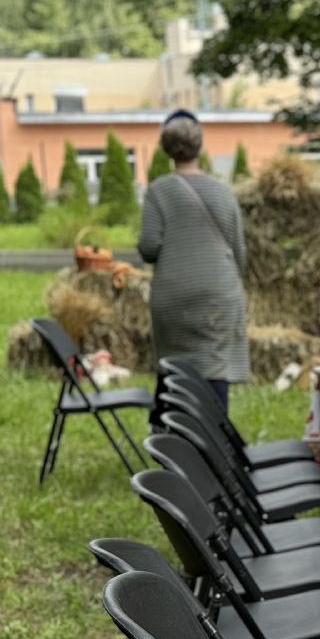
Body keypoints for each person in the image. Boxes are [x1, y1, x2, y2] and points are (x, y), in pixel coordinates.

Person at [138, 109, 248, 412]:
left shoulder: (158, 191)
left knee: (173, 364)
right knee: (214, 365)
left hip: (173, 295)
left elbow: (149, 247)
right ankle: (214, 431)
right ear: (200, 146)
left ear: (166, 148)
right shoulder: (223, 193)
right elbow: (239, 249)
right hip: (218, 292)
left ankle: (170, 429)